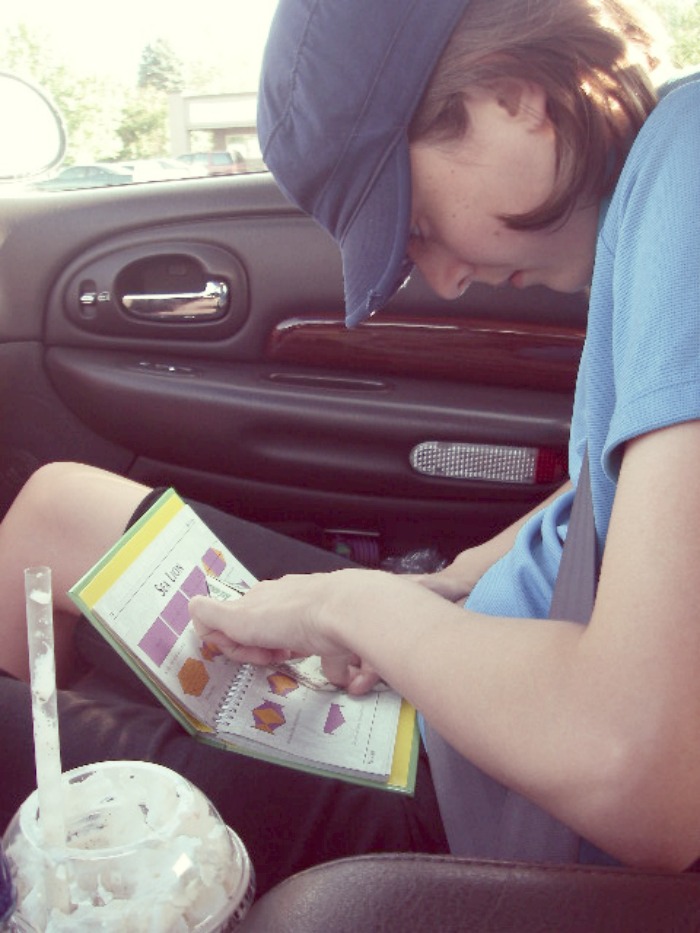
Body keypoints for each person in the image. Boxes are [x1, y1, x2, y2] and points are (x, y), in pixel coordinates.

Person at [2, 0, 700, 896]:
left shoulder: (687, 170)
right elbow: (606, 503)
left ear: (514, 97)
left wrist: (353, 607)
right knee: (56, 510)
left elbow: (636, 770)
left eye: (413, 223)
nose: (443, 278)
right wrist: (441, 583)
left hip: (482, 797)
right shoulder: (657, 181)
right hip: (480, 670)